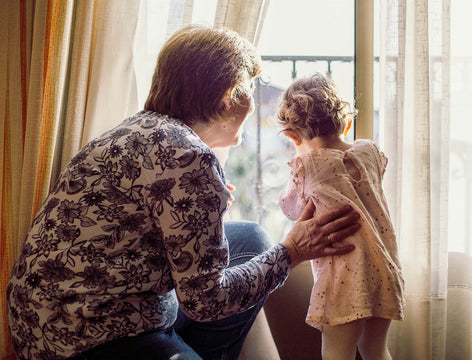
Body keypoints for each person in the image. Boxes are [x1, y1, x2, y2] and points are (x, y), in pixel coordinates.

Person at [6, 26, 361, 360]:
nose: (251, 103)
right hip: (90, 340)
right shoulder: (190, 157)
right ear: (228, 96)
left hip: (36, 321)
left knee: (251, 238)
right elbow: (206, 300)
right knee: (260, 258)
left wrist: (204, 208)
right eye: (249, 91)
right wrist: (293, 251)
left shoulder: (134, 129)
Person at [277, 73, 405, 360]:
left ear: (292, 136)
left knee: (337, 353)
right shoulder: (368, 150)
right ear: (346, 123)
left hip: (344, 280)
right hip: (384, 269)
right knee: (375, 350)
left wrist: (296, 175)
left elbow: (292, 209)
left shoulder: (307, 165)